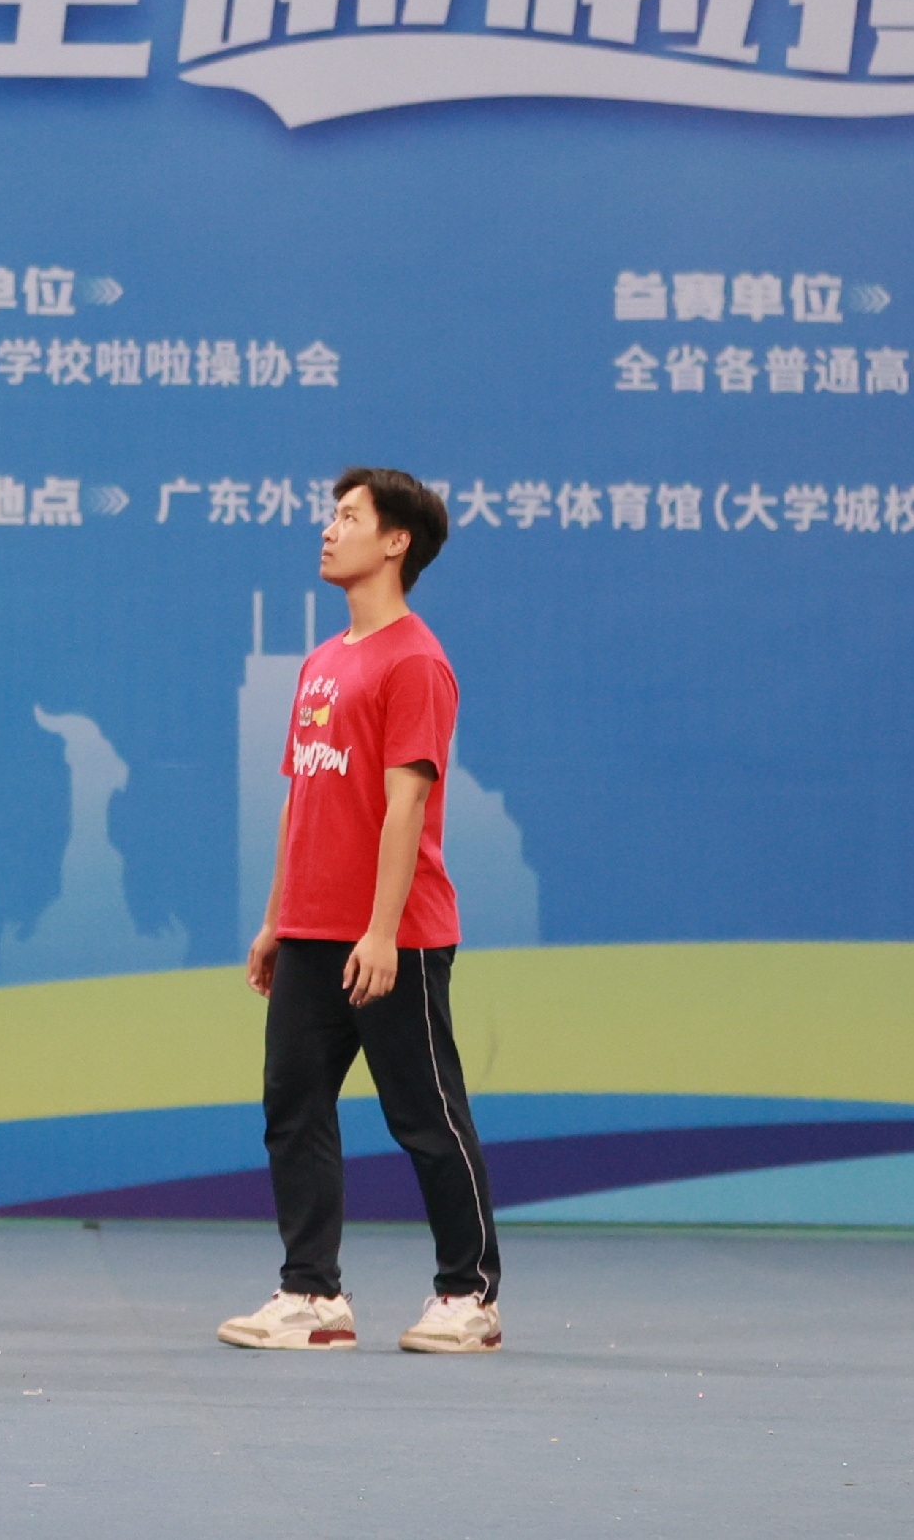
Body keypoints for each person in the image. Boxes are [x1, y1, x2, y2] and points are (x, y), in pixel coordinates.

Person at [220, 467, 501, 1357]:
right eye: (331, 516)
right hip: (310, 930)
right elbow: (300, 798)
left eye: (349, 517)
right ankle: (313, 1294)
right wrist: (277, 919)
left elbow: (407, 804)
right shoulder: (321, 662)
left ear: (396, 542)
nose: (328, 530)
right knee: (293, 1106)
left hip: (394, 937)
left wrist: (382, 932)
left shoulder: (416, 661)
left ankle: (468, 1295)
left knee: (425, 1116)